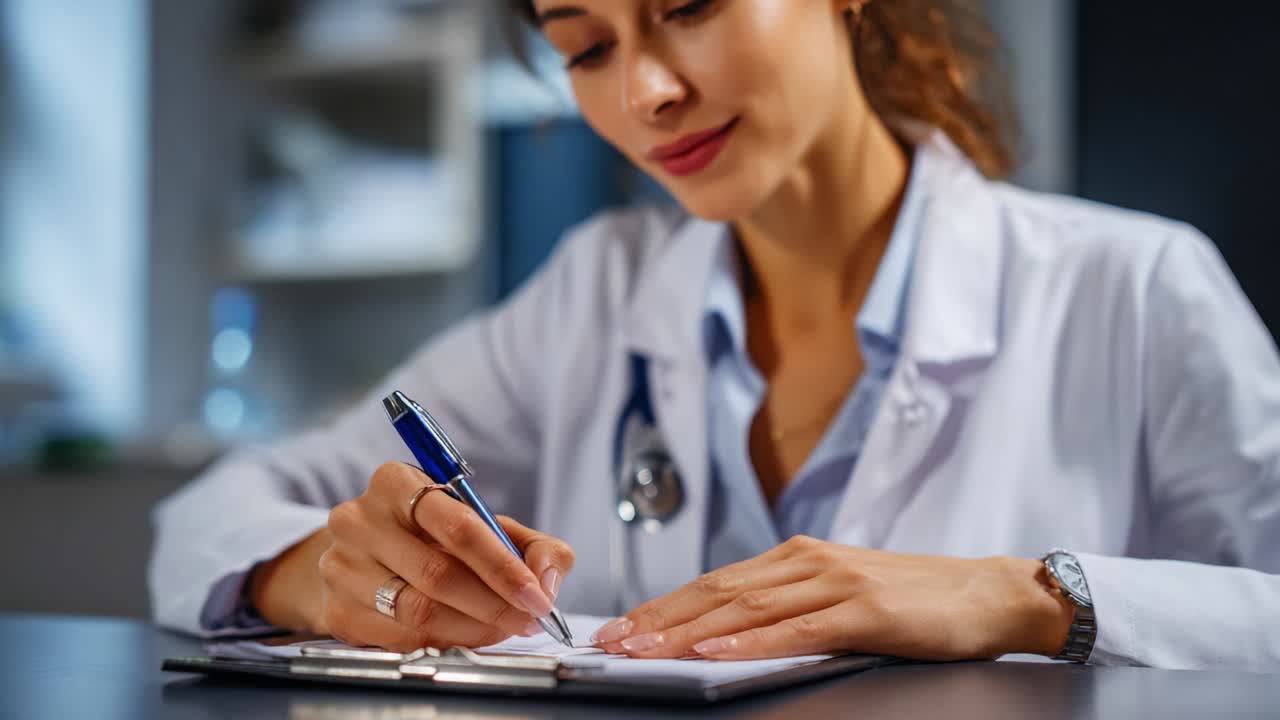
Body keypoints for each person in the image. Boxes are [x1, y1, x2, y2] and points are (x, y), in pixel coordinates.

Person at [149, 0, 1280, 671]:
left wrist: (1033, 597)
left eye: (688, 4)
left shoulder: (1133, 289)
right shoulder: (594, 294)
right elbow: (201, 519)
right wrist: (314, 575)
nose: (643, 91)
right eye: (585, 46)